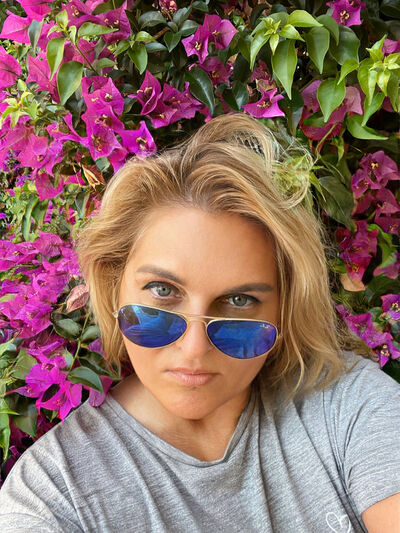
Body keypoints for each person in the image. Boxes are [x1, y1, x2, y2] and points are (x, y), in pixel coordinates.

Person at [0, 114, 399, 532]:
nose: (194, 349)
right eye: (162, 290)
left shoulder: (351, 405)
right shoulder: (51, 497)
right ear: (114, 285)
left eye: (239, 300)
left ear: (283, 309)